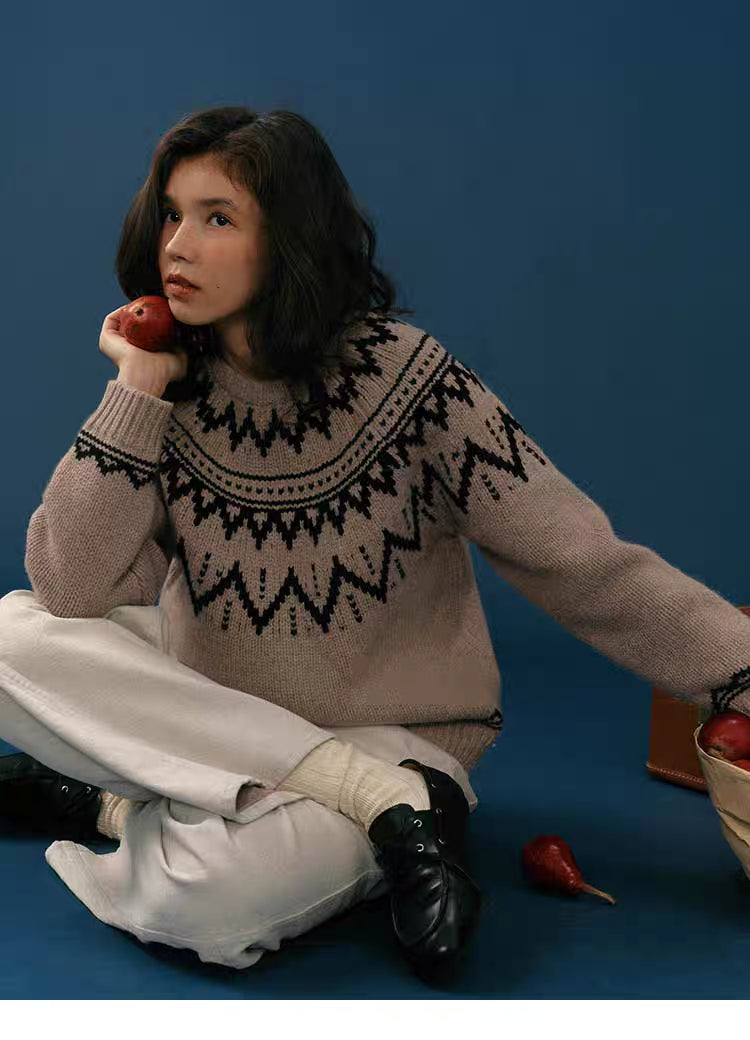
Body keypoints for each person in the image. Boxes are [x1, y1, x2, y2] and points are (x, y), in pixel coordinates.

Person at [2, 105, 750, 987]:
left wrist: (740, 668)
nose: (179, 245)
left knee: (193, 903)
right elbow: (74, 588)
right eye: (172, 213)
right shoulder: (172, 393)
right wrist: (136, 391)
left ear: (290, 235)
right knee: (14, 633)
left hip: (399, 739)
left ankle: (133, 802)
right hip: (220, 724)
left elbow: (580, 559)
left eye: (218, 218)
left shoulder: (411, 379)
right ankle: (371, 813)